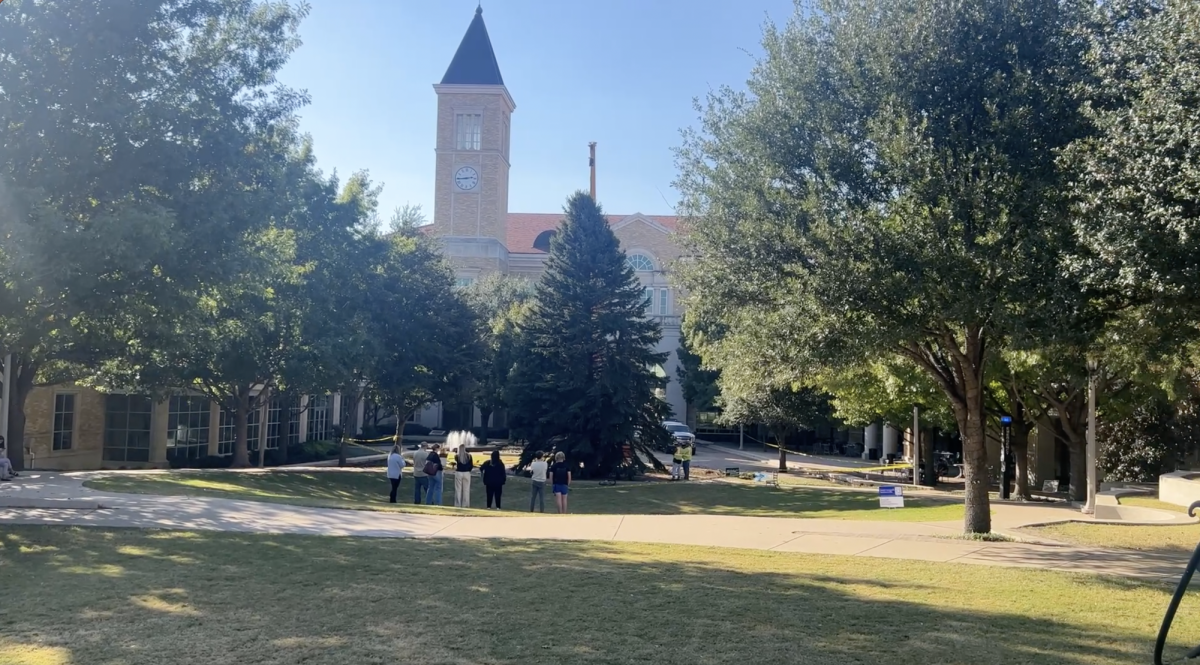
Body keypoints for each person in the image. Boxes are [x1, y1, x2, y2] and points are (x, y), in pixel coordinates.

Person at [454, 443, 474, 508]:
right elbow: (471, 465)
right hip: (466, 472)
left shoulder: (457, 456)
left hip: (459, 472)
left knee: (458, 489)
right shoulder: (469, 456)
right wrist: (468, 470)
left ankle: (458, 504)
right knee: (466, 489)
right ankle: (465, 504)